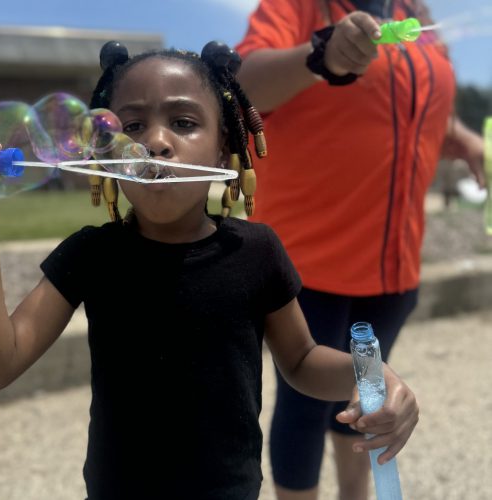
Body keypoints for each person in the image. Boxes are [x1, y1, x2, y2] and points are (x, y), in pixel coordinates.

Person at [0, 40, 419, 500]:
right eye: (132, 126)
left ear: (223, 147)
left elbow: (301, 360)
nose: (156, 143)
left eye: (183, 123)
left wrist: (370, 374)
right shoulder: (92, 255)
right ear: (103, 155)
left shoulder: (255, 251)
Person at [234, 1, 485, 499]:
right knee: (305, 405)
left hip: (391, 264)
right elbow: (242, 87)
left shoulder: (413, 12)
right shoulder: (297, 7)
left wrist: (461, 139)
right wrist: (320, 54)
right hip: (309, 262)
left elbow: (415, 110)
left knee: (365, 395)